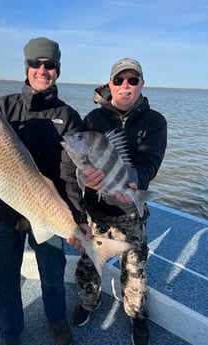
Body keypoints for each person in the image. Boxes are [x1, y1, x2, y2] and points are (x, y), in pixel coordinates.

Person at [0, 37, 89, 345]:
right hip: (4, 212)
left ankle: (57, 323)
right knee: (3, 282)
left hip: (47, 210)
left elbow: (69, 174)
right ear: (26, 67)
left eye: (49, 65)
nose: (42, 70)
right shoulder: (3, 107)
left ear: (57, 70)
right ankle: (10, 335)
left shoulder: (69, 117)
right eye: (35, 64)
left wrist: (77, 219)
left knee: (53, 278)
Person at [68, 58, 167, 345]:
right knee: (89, 265)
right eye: (120, 80)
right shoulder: (94, 120)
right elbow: (80, 165)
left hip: (130, 212)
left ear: (141, 85)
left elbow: (151, 162)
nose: (126, 86)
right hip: (96, 213)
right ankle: (88, 303)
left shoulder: (155, 121)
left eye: (133, 80)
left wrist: (134, 183)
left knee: (135, 270)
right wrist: (86, 180)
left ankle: (136, 315)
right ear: (110, 84)